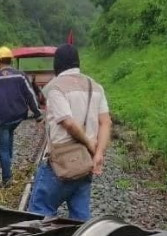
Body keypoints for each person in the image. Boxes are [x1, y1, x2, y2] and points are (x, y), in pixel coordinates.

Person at [26, 44, 111, 221]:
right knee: (80, 215)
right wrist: (99, 153)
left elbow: (68, 123)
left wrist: (88, 142)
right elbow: (106, 122)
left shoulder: (55, 87)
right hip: (86, 162)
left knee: (41, 210)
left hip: (61, 162)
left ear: (57, 65)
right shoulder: (95, 86)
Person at [0, 46, 40, 187]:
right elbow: (30, 94)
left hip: (1, 118)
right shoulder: (21, 76)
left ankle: (7, 179)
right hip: (17, 116)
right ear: (10, 60)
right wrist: (37, 113)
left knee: (3, 147)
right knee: (9, 135)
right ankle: (9, 166)